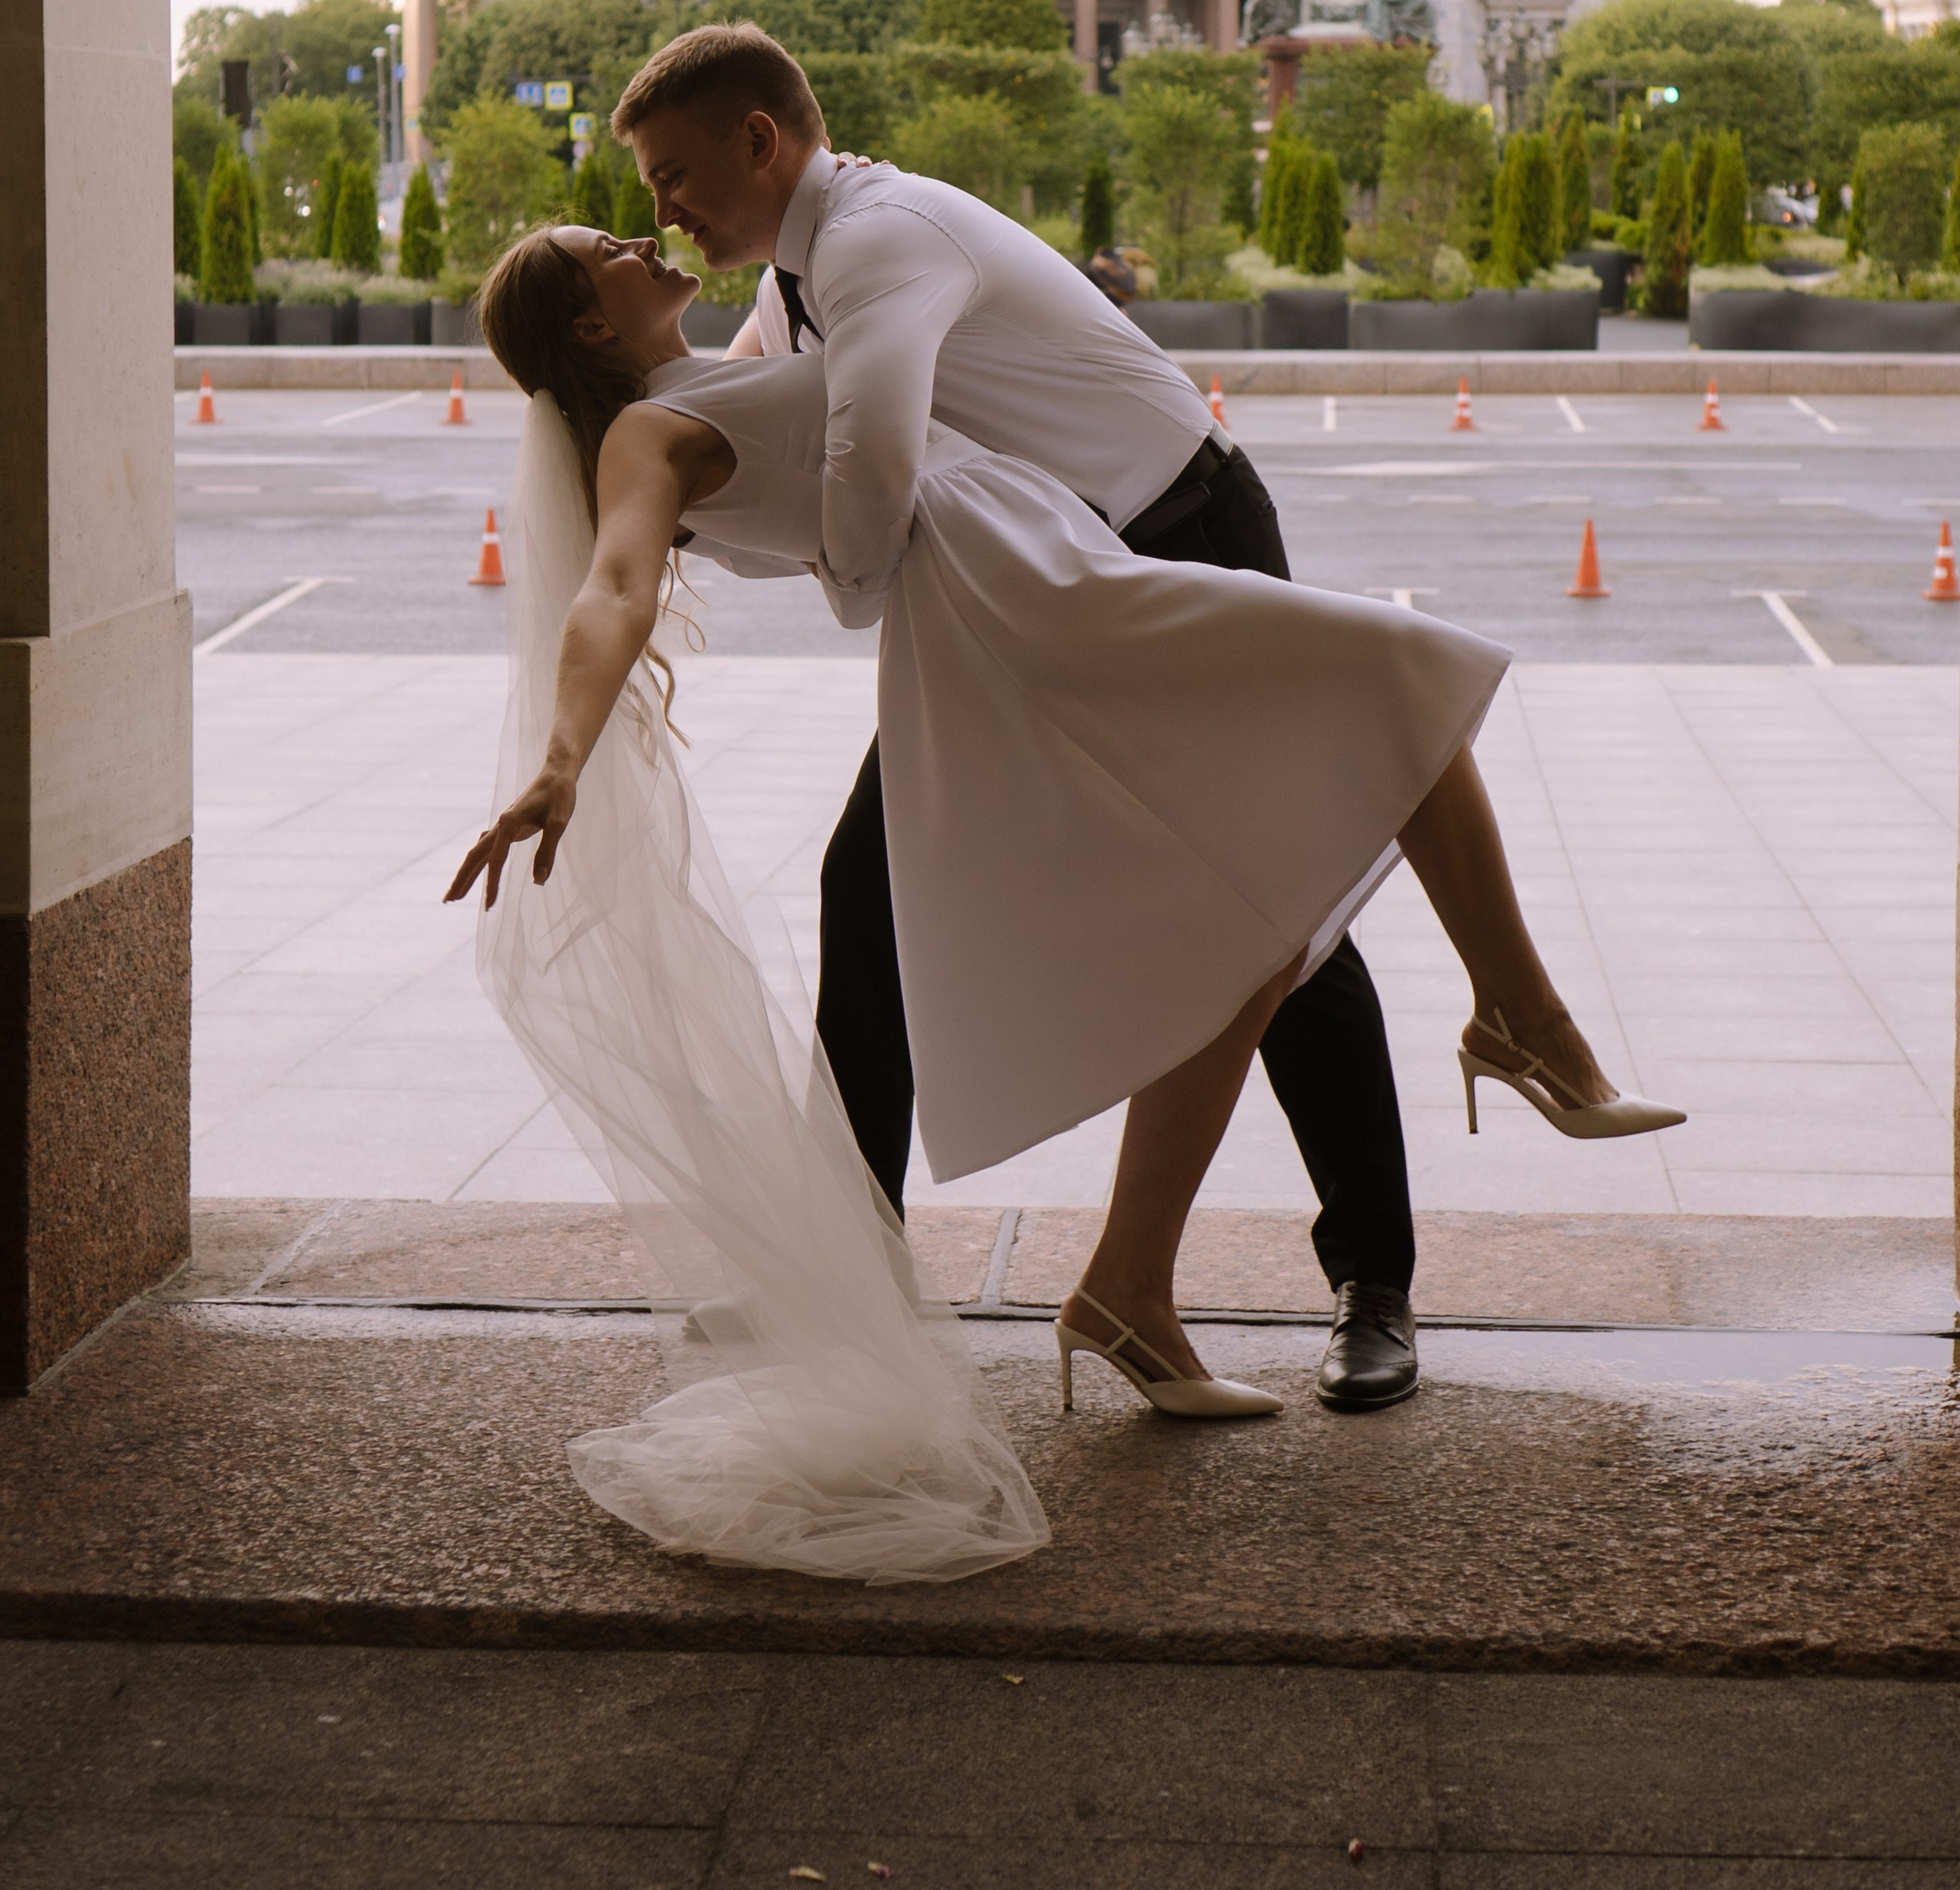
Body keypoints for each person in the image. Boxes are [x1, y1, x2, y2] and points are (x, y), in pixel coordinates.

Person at [453, 215, 1683, 1555]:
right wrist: (564, 752)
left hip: (1052, 569)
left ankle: (1128, 1291)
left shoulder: (747, 341)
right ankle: (1521, 1023)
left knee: (1263, 932)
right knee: (1396, 679)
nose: (648, 228)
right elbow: (616, 583)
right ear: (588, 327)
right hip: (1028, 608)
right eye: (611, 244)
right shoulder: (650, 435)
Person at [604, 25, 1671, 1416]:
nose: (662, 211)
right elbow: (764, 427)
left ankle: (1373, 1282)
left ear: (762, 140)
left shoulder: (878, 240)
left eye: (677, 174)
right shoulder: (798, 278)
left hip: (1176, 532)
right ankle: (847, 1265)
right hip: (1041, 595)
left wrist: (834, 581)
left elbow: (866, 480)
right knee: (865, 893)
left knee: (1284, 905)